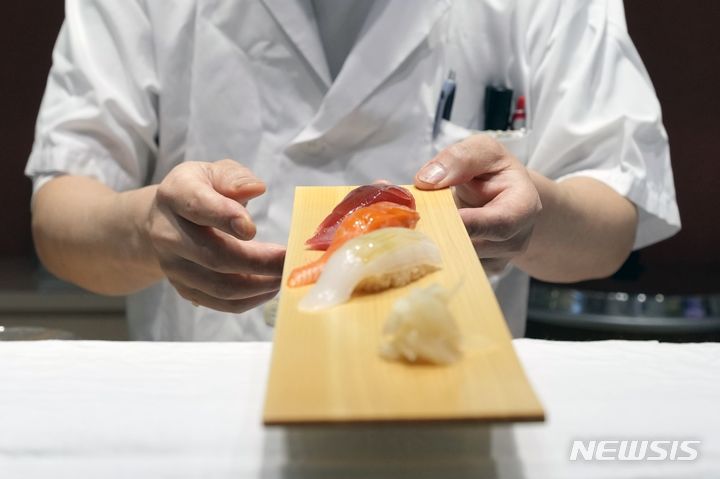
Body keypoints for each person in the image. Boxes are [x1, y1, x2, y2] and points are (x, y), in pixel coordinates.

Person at [26, 0, 680, 341]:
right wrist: (147, 230)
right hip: (209, 398)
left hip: (450, 402)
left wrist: (539, 214)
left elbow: (614, 211)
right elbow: (61, 214)